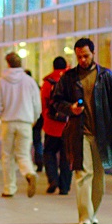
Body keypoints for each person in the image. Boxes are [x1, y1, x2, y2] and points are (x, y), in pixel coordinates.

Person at [52, 38, 112, 224]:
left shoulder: (106, 77)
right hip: (79, 132)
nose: (83, 60)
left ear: (93, 53)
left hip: (103, 133)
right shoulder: (69, 78)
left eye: (86, 56)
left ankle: (92, 211)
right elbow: (56, 101)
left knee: (99, 177)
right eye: (79, 57)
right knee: (83, 173)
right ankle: (84, 216)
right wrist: (71, 108)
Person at [0, 52, 42, 198]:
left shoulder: (1, 81)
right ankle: (29, 173)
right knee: (23, 154)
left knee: (7, 156)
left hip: (8, 122)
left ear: (7, 63)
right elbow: (37, 104)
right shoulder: (29, 81)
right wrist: (33, 118)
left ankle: (9, 188)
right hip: (25, 122)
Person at [42, 56, 71, 195]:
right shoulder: (71, 80)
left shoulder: (48, 82)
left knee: (49, 153)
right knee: (66, 157)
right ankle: (64, 187)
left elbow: (43, 103)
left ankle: (53, 179)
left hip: (51, 125)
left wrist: (45, 118)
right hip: (68, 125)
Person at [26, 69, 44, 172]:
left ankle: (28, 164)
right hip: (38, 117)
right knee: (37, 141)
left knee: (27, 142)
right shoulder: (36, 86)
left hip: (28, 118)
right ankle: (39, 161)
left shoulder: (23, 88)